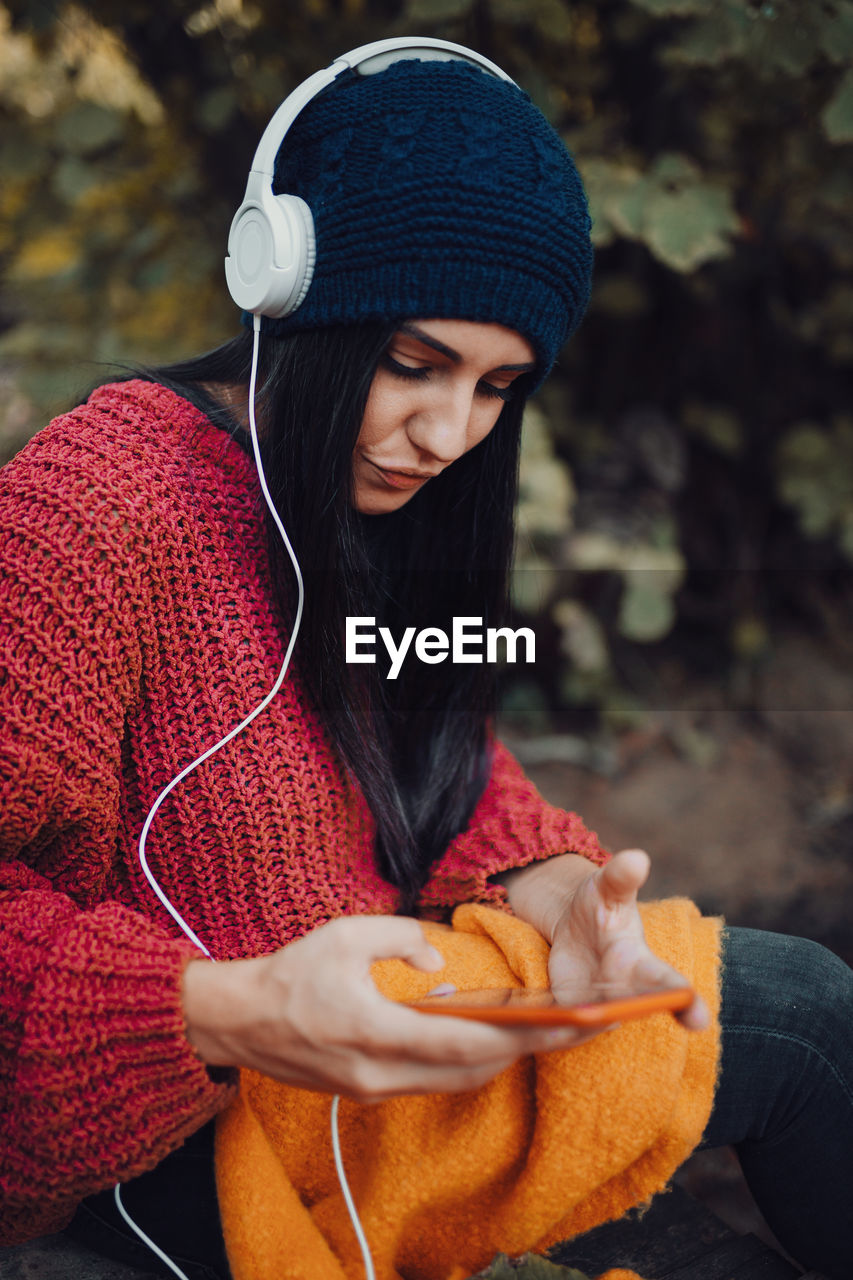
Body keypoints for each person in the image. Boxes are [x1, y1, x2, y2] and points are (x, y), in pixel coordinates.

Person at [0, 37, 851, 1280]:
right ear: (287, 286)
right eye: (413, 363)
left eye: (498, 387)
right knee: (808, 1018)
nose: (448, 433)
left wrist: (556, 887)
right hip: (194, 1148)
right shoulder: (93, 507)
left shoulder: (391, 498)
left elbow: (440, 754)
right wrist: (231, 1011)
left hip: (397, 1073)